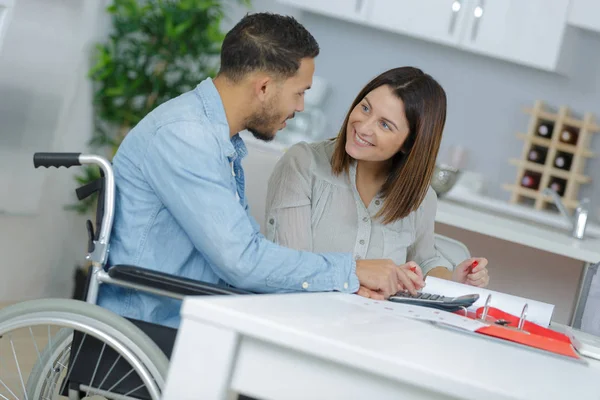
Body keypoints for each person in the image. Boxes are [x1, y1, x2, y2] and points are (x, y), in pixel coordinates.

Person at [97, 13, 424, 328]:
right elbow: (243, 261)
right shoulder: (186, 138)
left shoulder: (212, 136)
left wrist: (345, 283)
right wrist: (351, 271)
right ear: (264, 87)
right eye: (300, 92)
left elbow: (243, 254)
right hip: (154, 324)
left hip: (195, 311)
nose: (300, 107)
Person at [265, 67, 489, 299]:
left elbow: (425, 260)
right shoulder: (303, 164)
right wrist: (355, 279)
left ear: (409, 144)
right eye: (365, 107)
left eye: (384, 125)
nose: (362, 127)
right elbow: (290, 265)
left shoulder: (420, 198)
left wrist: (453, 284)